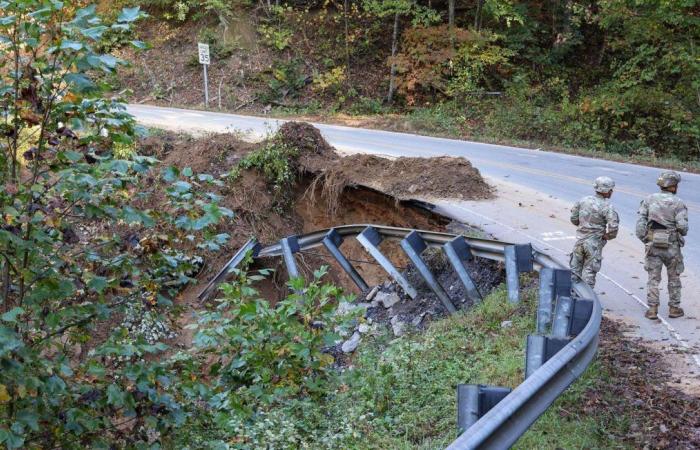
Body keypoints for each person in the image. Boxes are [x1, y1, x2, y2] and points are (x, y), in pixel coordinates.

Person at [636, 171, 688, 320]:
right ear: (673, 186)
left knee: (653, 278)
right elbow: (683, 228)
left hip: (653, 245)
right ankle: (674, 308)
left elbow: (640, 225)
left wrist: (647, 239)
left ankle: (652, 309)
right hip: (672, 247)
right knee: (674, 278)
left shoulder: (649, 199)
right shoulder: (678, 203)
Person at [570, 176, 619, 288]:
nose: (612, 192)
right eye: (611, 189)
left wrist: (583, 227)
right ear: (605, 190)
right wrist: (606, 236)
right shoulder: (607, 206)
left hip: (580, 241)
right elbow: (613, 227)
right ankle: (586, 300)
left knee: (574, 271)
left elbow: (573, 218)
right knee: (589, 273)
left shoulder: (583, 200)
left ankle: (571, 297)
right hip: (594, 244)